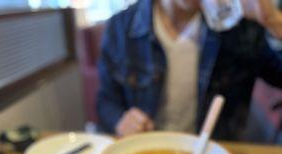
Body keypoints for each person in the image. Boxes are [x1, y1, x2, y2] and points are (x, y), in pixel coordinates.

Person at [97, 0, 282, 140]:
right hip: (146, 150)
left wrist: (273, 20)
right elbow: (105, 100)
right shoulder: (122, 26)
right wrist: (119, 121)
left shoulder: (240, 26)